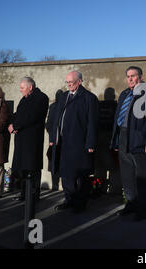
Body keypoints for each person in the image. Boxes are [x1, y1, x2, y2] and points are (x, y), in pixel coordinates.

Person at [110, 66, 146, 221]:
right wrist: (116, 140)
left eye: (133, 76)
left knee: (142, 176)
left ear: (141, 77)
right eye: (128, 76)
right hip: (124, 138)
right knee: (127, 175)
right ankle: (131, 203)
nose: (130, 79)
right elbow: (118, 118)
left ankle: (143, 209)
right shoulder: (125, 93)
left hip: (140, 140)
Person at [49, 71, 98, 213]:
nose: (69, 84)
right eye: (67, 82)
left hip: (79, 143)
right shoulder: (64, 97)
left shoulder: (89, 98)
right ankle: (69, 199)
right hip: (63, 143)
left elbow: (92, 124)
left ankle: (80, 203)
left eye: (72, 82)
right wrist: (53, 139)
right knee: (66, 173)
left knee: (80, 174)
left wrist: (90, 144)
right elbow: (56, 120)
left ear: (80, 81)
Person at [9, 77, 49, 202]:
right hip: (21, 139)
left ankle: (33, 194)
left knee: (32, 167)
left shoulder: (41, 98)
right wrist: (11, 124)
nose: (20, 90)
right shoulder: (24, 99)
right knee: (22, 168)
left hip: (32, 140)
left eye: (22, 88)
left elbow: (33, 116)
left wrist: (16, 126)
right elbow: (18, 114)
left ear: (30, 87)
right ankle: (23, 193)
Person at [45, 89, 63, 191]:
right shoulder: (59, 106)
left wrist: (52, 138)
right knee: (55, 161)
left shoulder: (53, 106)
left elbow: (48, 124)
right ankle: (57, 185)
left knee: (54, 162)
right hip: (59, 139)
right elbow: (49, 124)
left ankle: (55, 185)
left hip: (54, 139)